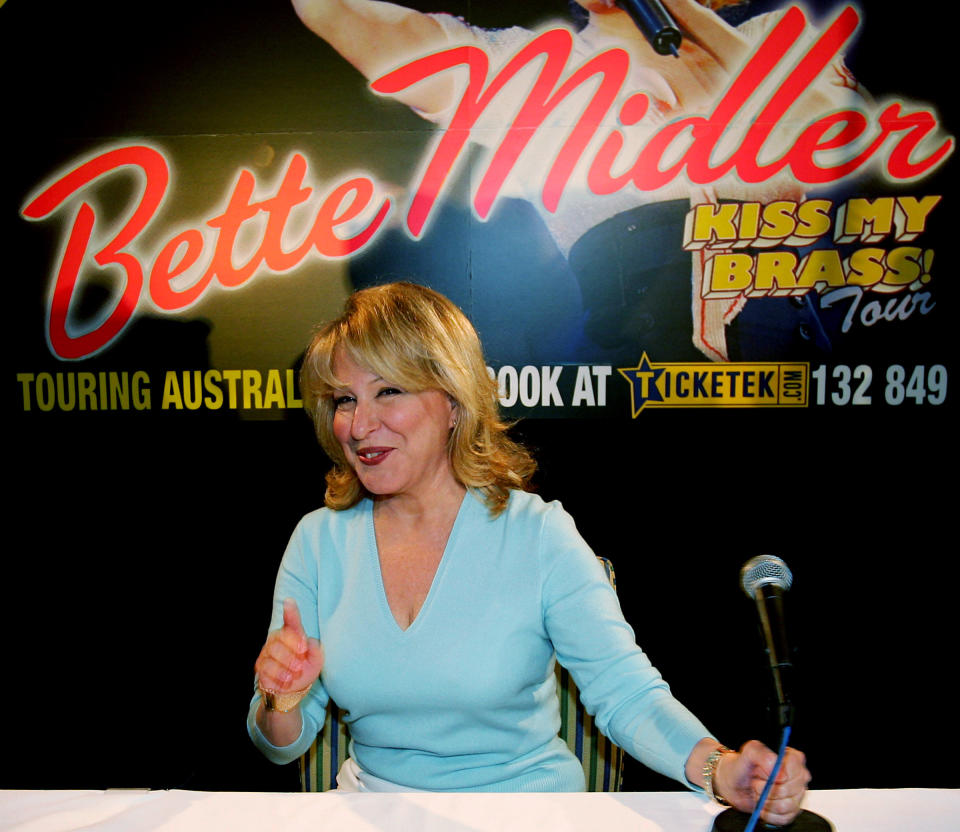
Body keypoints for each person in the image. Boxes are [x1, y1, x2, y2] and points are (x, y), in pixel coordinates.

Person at [248, 281, 810, 822]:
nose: (360, 425)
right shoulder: (317, 541)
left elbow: (625, 694)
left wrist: (720, 768)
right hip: (375, 810)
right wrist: (279, 700)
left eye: (388, 390)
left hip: (526, 813)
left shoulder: (538, 534)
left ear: (454, 400)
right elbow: (281, 747)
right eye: (344, 399)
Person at [289, 0, 867, 364]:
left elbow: (825, 144)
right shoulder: (547, 72)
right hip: (637, 368)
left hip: (810, 351)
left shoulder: (800, 37)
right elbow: (346, 17)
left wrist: (681, 21)